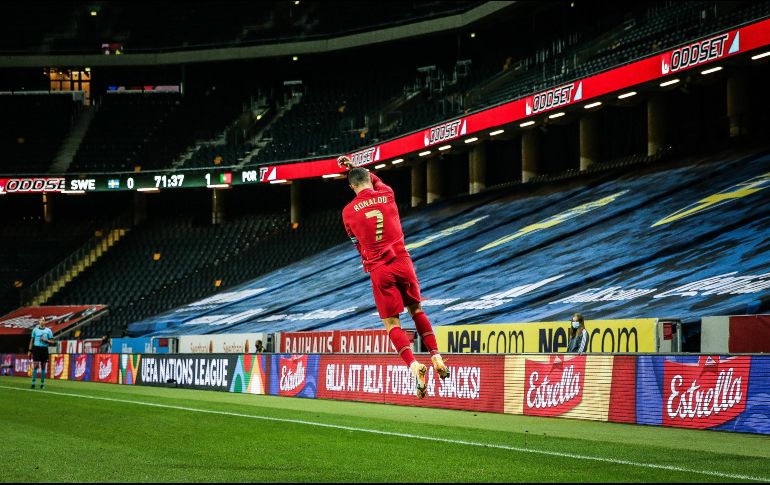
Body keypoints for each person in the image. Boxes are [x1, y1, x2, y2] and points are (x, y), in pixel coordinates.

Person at [338, 155, 449, 399]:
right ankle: (436, 357)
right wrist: (355, 167)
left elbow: (357, 244)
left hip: (379, 268)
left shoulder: (347, 212)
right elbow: (375, 181)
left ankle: (413, 365)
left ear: (352, 187)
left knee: (392, 324)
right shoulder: (387, 194)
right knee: (417, 310)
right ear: (370, 179)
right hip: (402, 262)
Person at [28, 317, 55, 390]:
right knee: (36, 366)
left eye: (43, 320)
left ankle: (42, 384)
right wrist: (29, 350)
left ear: (45, 322)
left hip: (44, 349)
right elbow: (31, 340)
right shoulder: (35, 330)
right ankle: (33, 383)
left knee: (43, 367)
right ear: (39, 321)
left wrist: (46, 340)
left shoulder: (48, 330)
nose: (42, 321)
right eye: (41, 320)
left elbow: (53, 341)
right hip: (36, 349)